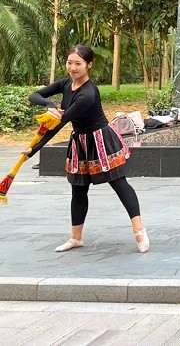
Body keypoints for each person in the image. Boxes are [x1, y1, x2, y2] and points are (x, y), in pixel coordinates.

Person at [26, 45, 149, 253]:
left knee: (119, 183)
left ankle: (139, 230)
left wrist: (34, 148)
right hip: (80, 141)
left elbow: (61, 123)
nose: (73, 68)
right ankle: (76, 238)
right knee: (78, 188)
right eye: (70, 63)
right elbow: (34, 95)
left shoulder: (88, 93)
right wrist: (49, 104)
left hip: (101, 140)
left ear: (89, 65)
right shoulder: (66, 83)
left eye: (78, 64)